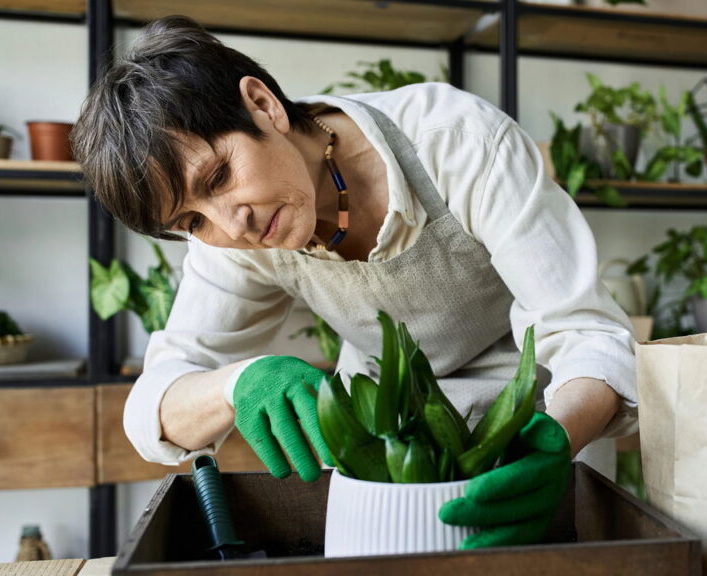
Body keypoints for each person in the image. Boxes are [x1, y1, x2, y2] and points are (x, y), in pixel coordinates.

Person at [71, 16, 637, 548]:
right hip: (383, 463)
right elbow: (156, 401)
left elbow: (589, 332)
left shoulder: (454, 140)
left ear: (263, 105)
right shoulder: (235, 235)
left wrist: (555, 441)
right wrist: (237, 383)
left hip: (533, 433)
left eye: (219, 176)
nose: (231, 224)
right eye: (191, 221)